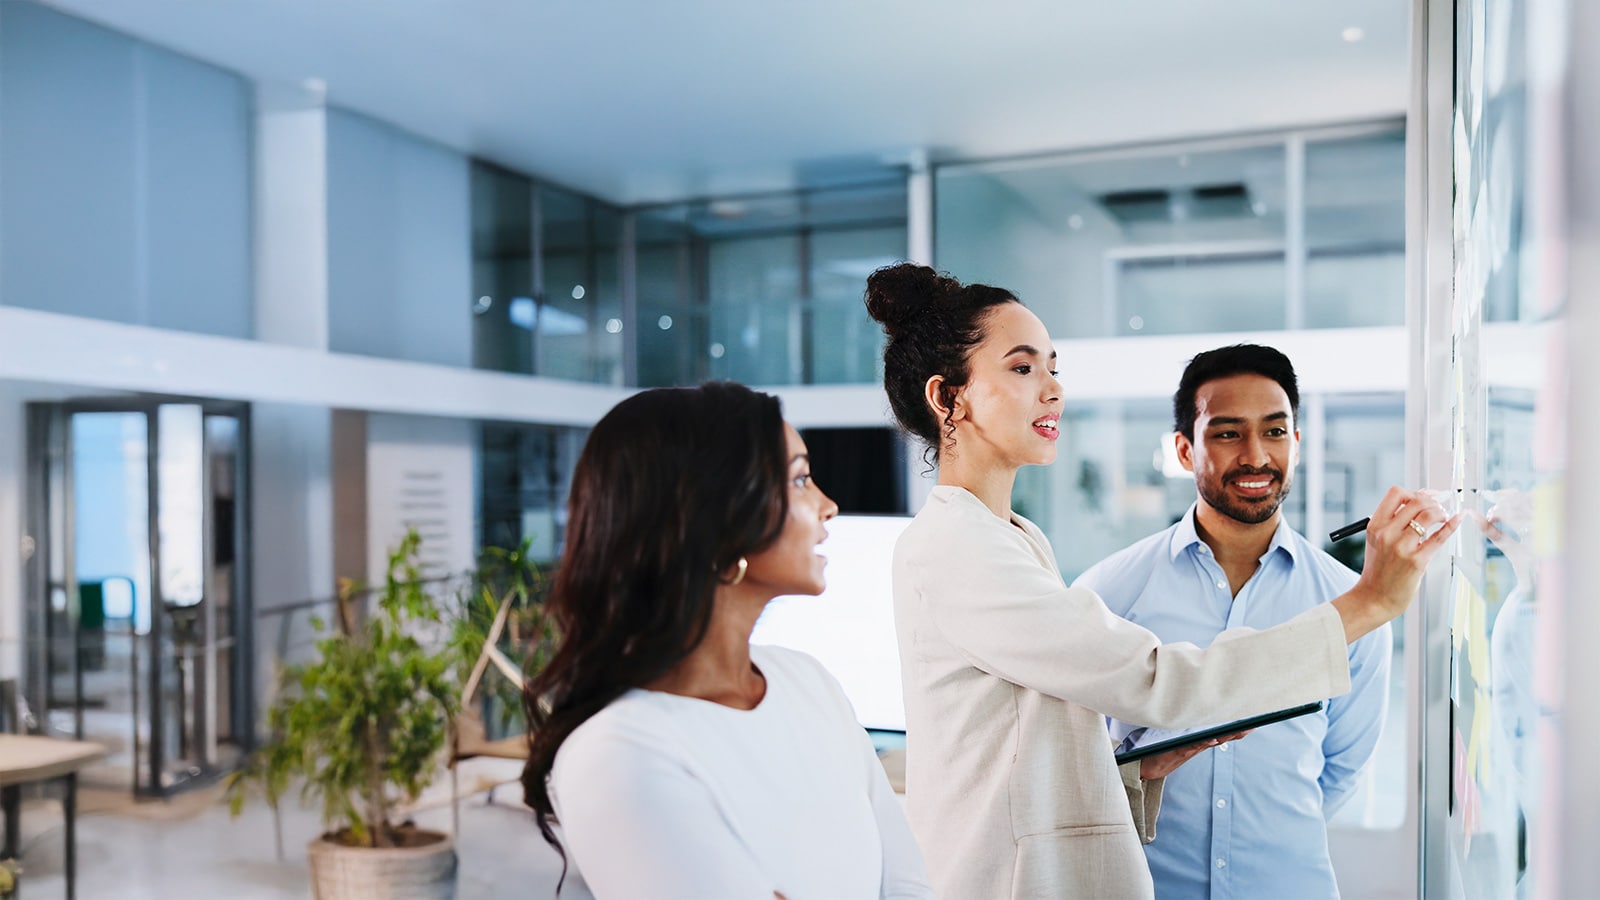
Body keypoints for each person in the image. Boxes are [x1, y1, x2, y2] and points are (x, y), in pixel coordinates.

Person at [863, 263, 1459, 900]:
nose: (1053, 390)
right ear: (948, 399)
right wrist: (1370, 601)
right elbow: (1159, 682)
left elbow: (1025, 755)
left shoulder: (1015, 537)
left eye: (1053, 368)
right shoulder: (959, 549)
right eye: (1022, 367)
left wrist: (1136, 770)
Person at [520, 381, 932, 899]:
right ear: (718, 515)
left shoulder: (808, 681)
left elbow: (910, 885)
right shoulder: (616, 754)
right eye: (800, 479)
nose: (829, 506)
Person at [1072, 343, 1390, 899]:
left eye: (1274, 431)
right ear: (1183, 450)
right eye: (1226, 433)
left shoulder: (1349, 604)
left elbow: (1339, 770)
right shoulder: (1109, 593)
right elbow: (1075, 763)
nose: (1256, 456)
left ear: (1296, 442)